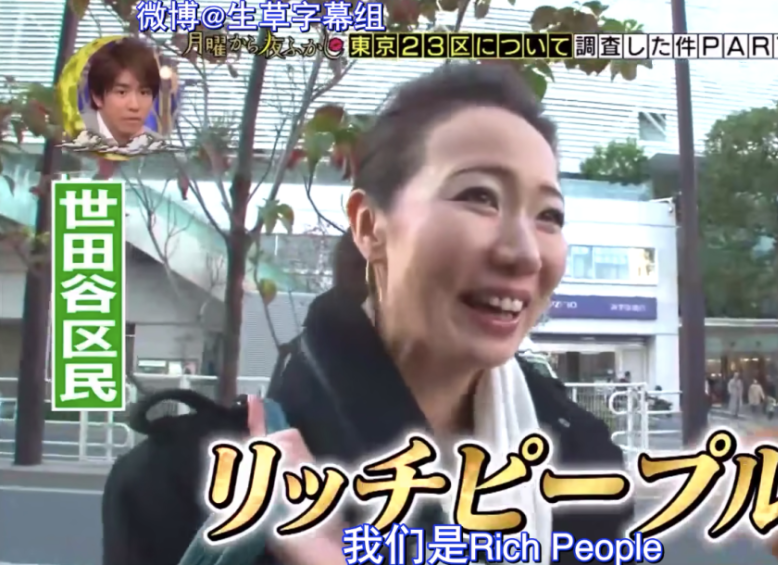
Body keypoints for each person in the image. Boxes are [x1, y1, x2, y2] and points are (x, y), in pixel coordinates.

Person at [101, 64, 633, 565]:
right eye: (479, 196)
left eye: (549, 215)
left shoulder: (583, 467)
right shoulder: (185, 484)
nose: (525, 253)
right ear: (368, 226)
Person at [83, 37, 162, 145]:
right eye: (122, 92)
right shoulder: (70, 138)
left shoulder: (158, 148)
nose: (134, 106)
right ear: (97, 97)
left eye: (143, 93)